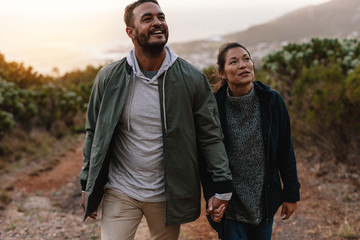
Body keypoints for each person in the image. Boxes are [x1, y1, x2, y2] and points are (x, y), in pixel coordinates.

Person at [80, 1, 233, 239]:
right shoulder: (109, 78)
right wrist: (86, 183)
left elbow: (210, 136)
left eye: (161, 17)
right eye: (147, 18)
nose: (158, 22)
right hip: (120, 190)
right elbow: (94, 131)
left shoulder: (191, 78)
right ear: (130, 32)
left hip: (167, 194)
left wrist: (222, 184)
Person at [201, 42, 301, 240]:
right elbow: (206, 158)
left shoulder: (272, 101)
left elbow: (285, 151)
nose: (243, 65)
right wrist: (212, 195)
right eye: (234, 61)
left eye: (247, 59)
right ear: (222, 72)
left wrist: (291, 194)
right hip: (230, 201)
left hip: (264, 199)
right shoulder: (214, 107)